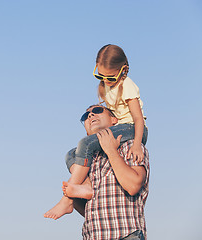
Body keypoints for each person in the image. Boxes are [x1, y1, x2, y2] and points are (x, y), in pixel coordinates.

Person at [44, 44, 148, 220]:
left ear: (123, 70)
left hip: (133, 128)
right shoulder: (90, 157)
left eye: (110, 77)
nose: (106, 80)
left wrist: (137, 144)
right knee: (72, 153)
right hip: (96, 232)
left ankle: (66, 200)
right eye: (100, 76)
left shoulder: (128, 87)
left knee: (83, 145)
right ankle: (85, 187)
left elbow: (138, 118)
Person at [67, 105, 149, 239]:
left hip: (125, 235)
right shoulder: (86, 161)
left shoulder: (130, 146)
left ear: (114, 120)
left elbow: (133, 185)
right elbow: (87, 208)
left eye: (97, 111)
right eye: (85, 116)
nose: (90, 115)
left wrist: (111, 151)